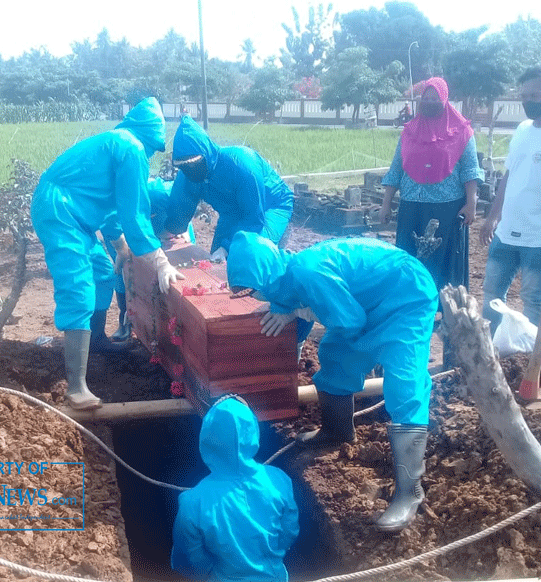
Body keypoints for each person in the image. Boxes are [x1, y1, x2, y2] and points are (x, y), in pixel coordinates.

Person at [227, 232, 438, 532]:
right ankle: (337, 430)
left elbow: (350, 321)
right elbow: (298, 298)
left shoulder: (307, 272)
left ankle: (409, 492)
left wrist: (304, 311)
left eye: (251, 290)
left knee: (404, 383)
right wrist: (287, 309)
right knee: (334, 355)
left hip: (405, 295)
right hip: (368, 300)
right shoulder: (284, 275)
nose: (252, 297)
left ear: (265, 276)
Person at [30, 96, 184, 410]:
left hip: (78, 215)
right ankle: (76, 387)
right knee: (79, 288)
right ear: (151, 139)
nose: (152, 155)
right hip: (61, 211)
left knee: (102, 274)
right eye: (154, 149)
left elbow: (114, 209)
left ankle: (97, 339)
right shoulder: (130, 147)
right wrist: (160, 262)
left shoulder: (119, 142)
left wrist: (120, 247)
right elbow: (135, 215)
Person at [171, 394, 299, 581]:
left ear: (208, 438)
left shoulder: (192, 503)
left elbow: (191, 562)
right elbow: (288, 533)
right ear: (253, 432)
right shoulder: (278, 479)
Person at [380, 77, 484, 296]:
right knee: (411, 260)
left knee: (444, 262)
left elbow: (470, 170)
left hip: (447, 209)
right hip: (412, 207)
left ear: (444, 99)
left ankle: (447, 312)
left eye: (434, 98)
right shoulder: (409, 132)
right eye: (425, 98)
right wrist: (386, 204)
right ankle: (412, 308)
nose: (429, 102)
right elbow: (396, 168)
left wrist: (471, 203)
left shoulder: (462, 131)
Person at [163, 115, 294, 263]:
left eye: (194, 163)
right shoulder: (188, 173)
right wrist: (169, 233)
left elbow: (254, 218)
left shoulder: (242, 164)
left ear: (205, 154)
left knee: (250, 255)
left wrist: (227, 247)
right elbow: (179, 209)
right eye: (183, 166)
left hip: (271, 207)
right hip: (231, 212)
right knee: (214, 261)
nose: (189, 170)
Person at [480, 67, 541, 333]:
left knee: (534, 304)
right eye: (524, 95)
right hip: (506, 234)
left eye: (535, 95)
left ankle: (530, 368)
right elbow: (508, 177)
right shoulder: (522, 130)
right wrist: (492, 218)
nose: (529, 101)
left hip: (538, 239)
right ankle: (490, 357)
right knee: (491, 298)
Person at [103, 177, 196, 342]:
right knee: (124, 266)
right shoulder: (116, 204)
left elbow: (183, 209)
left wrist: (182, 227)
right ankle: (126, 319)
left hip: (166, 225)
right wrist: (120, 248)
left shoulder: (164, 194)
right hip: (126, 228)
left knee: (179, 265)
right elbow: (112, 227)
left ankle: (175, 321)